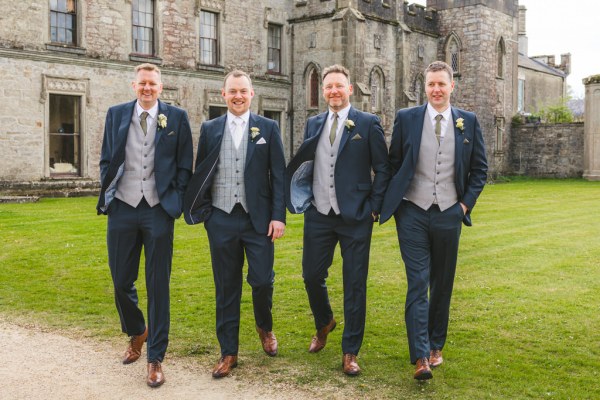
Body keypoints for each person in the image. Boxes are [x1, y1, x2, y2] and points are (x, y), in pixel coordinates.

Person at [380, 61, 488, 380]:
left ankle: (436, 343)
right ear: (424, 88)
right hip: (412, 210)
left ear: (451, 86)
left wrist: (464, 207)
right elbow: (394, 162)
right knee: (417, 283)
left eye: (441, 84)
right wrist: (392, 202)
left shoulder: (468, 122)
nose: (436, 89)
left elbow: (480, 169)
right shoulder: (407, 118)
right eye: (431, 84)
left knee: (442, 282)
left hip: (449, 213)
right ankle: (420, 357)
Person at [285, 64, 390, 375]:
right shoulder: (313, 123)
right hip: (319, 213)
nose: (332, 91)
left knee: (354, 284)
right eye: (328, 86)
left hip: (356, 216)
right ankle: (324, 322)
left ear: (350, 90)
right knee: (310, 275)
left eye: (338, 86)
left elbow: (382, 169)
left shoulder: (368, 123)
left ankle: (350, 351)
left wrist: (374, 206)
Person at [182, 70, 286, 378]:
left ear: (252, 94)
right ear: (224, 94)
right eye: (232, 91)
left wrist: (278, 215)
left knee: (262, 281)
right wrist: (206, 216)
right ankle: (228, 352)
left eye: (243, 91)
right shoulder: (211, 128)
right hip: (221, 218)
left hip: (259, 220)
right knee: (226, 287)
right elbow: (202, 172)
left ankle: (264, 327)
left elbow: (278, 174)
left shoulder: (268, 127)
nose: (238, 96)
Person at [96, 63, 193, 387]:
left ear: (160, 87)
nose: (147, 88)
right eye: (142, 84)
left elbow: (184, 166)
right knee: (121, 281)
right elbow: (108, 159)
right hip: (123, 208)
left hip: (158, 210)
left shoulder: (176, 118)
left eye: (152, 83)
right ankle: (137, 330)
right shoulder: (116, 114)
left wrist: (173, 203)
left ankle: (155, 358)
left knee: (158, 285)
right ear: (133, 86)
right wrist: (108, 190)